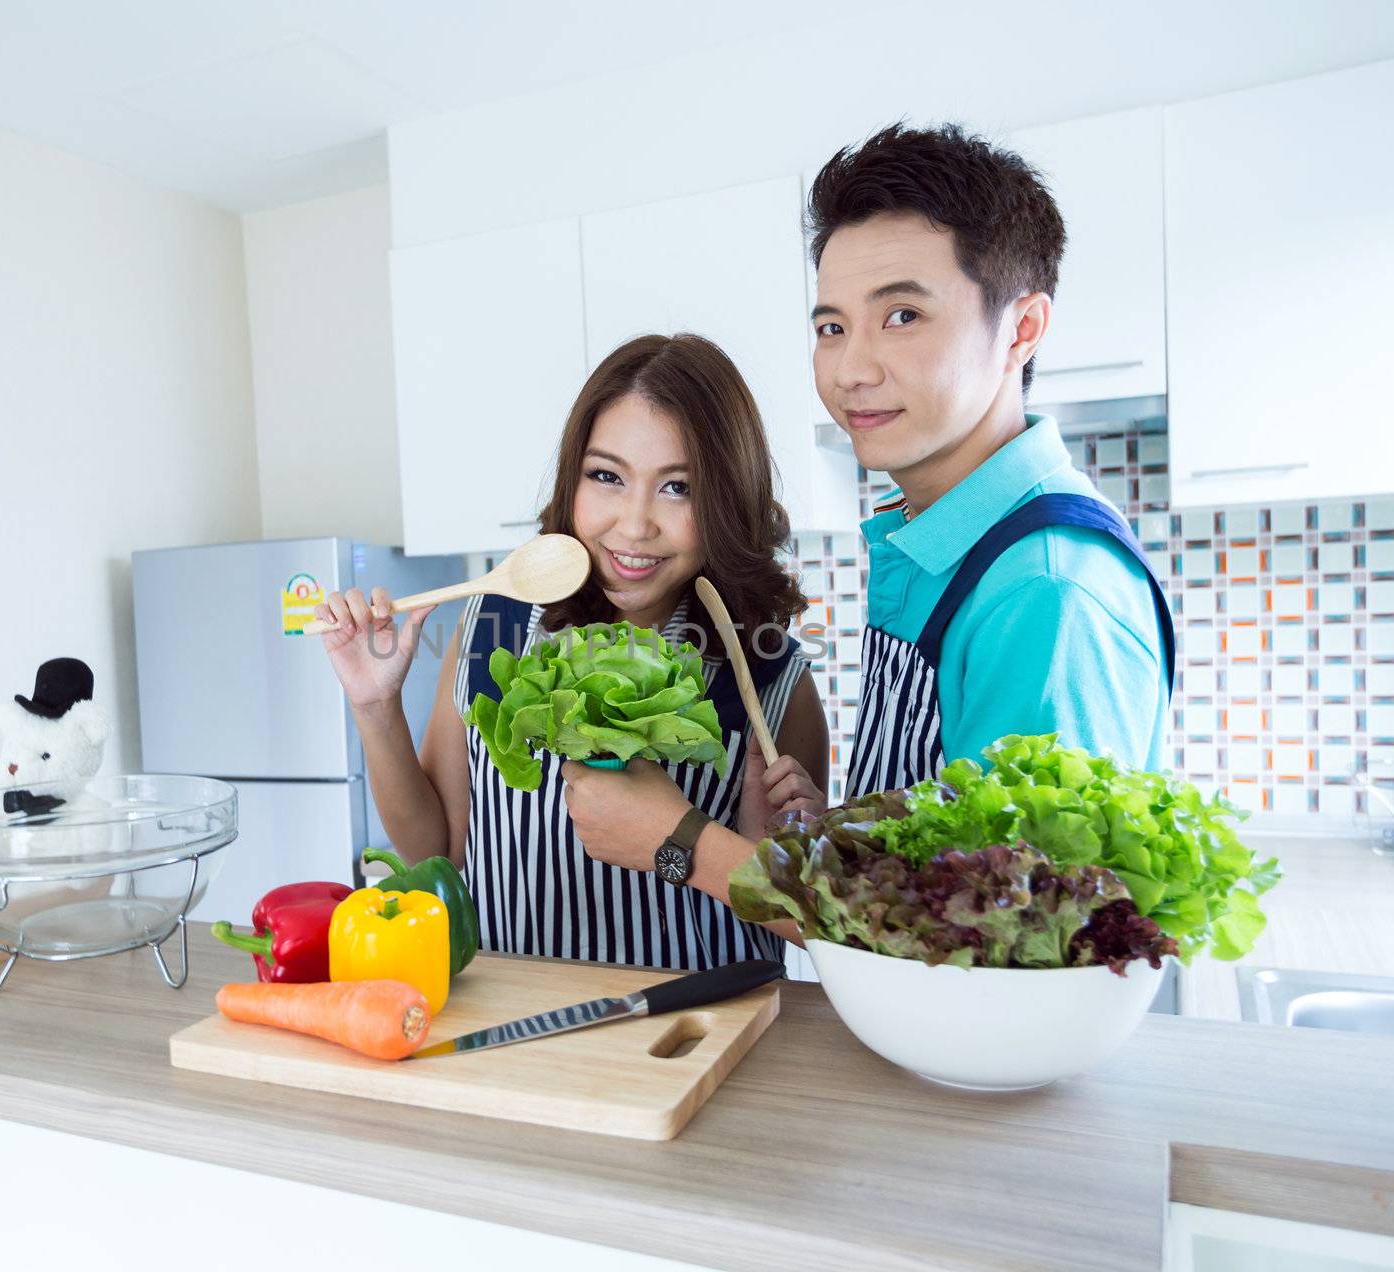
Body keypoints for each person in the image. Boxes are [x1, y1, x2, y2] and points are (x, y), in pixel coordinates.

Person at [318, 333, 828, 969]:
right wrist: (374, 705)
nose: (634, 524)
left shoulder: (770, 674)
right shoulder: (493, 625)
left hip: (700, 1028)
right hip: (518, 1022)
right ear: (572, 477)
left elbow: (805, 920)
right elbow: (437, 851)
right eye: (607, 476)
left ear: (726, 498)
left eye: (678, 487)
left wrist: (780, 843)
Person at [805, 122, 1174, 797]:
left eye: (903, 316)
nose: (850, 370)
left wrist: (679, 842)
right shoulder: (937, 537)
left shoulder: (1047, 590)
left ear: (1022, 329)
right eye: (832, 328)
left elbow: (1018, 902)